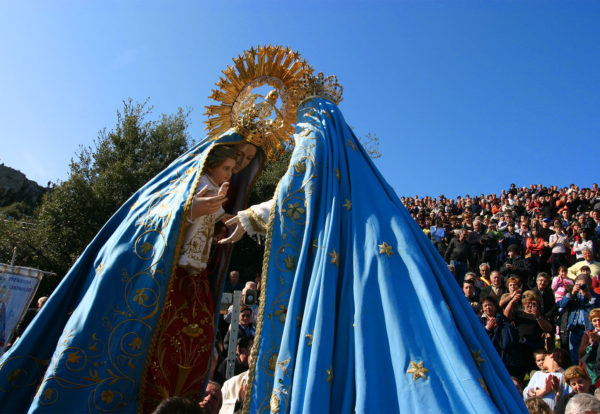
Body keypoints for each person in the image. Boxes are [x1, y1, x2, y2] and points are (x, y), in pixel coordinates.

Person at [220, 76, 526, 412]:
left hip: (348, 261)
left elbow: (299, 190)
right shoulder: (361, 172)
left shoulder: (312, 130)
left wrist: (249, 217)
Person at [0, 129, 265, 412]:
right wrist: (187, 210)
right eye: (237, 156)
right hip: (160, 284)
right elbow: (151, 217)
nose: (240, 165)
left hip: (195, 282)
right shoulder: (185, 180)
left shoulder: (223, 187)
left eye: (248, 159)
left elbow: (218, 222)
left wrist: (229, 225)